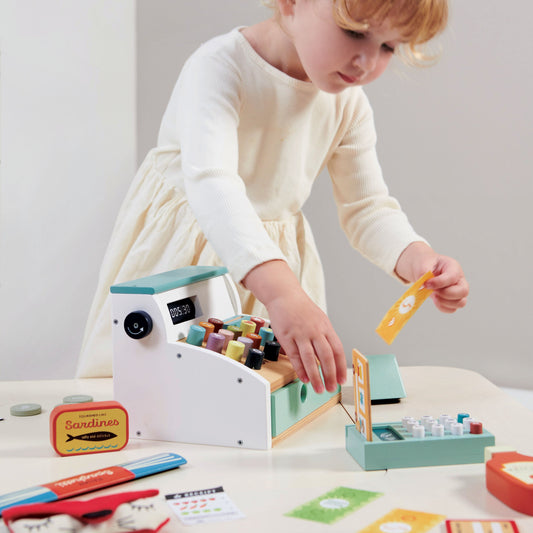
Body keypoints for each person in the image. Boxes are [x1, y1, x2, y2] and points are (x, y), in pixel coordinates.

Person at [76, 0, 469, 392]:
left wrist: (419, 259)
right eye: (355, 33)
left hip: (270, 276)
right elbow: (213, 185)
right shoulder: (219, 67)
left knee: (250, 399)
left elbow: (366, 208)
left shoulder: (348, 104)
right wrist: (283, 294)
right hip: (186, 264)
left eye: (388, 47)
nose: (366, 62)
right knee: (143, 392)